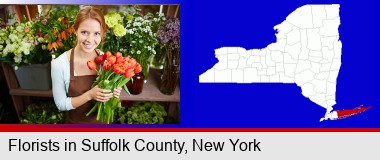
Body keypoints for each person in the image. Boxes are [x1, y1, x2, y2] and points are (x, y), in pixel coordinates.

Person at [51, 6, 122, 124]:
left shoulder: (106, 59)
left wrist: (114, 91)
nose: (90, 39)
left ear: (102, 34)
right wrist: (89, 95)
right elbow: (61, 104)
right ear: (75, 30)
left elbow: (110, 97)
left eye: (96, 33)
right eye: (84, 32)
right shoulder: (60, 64)